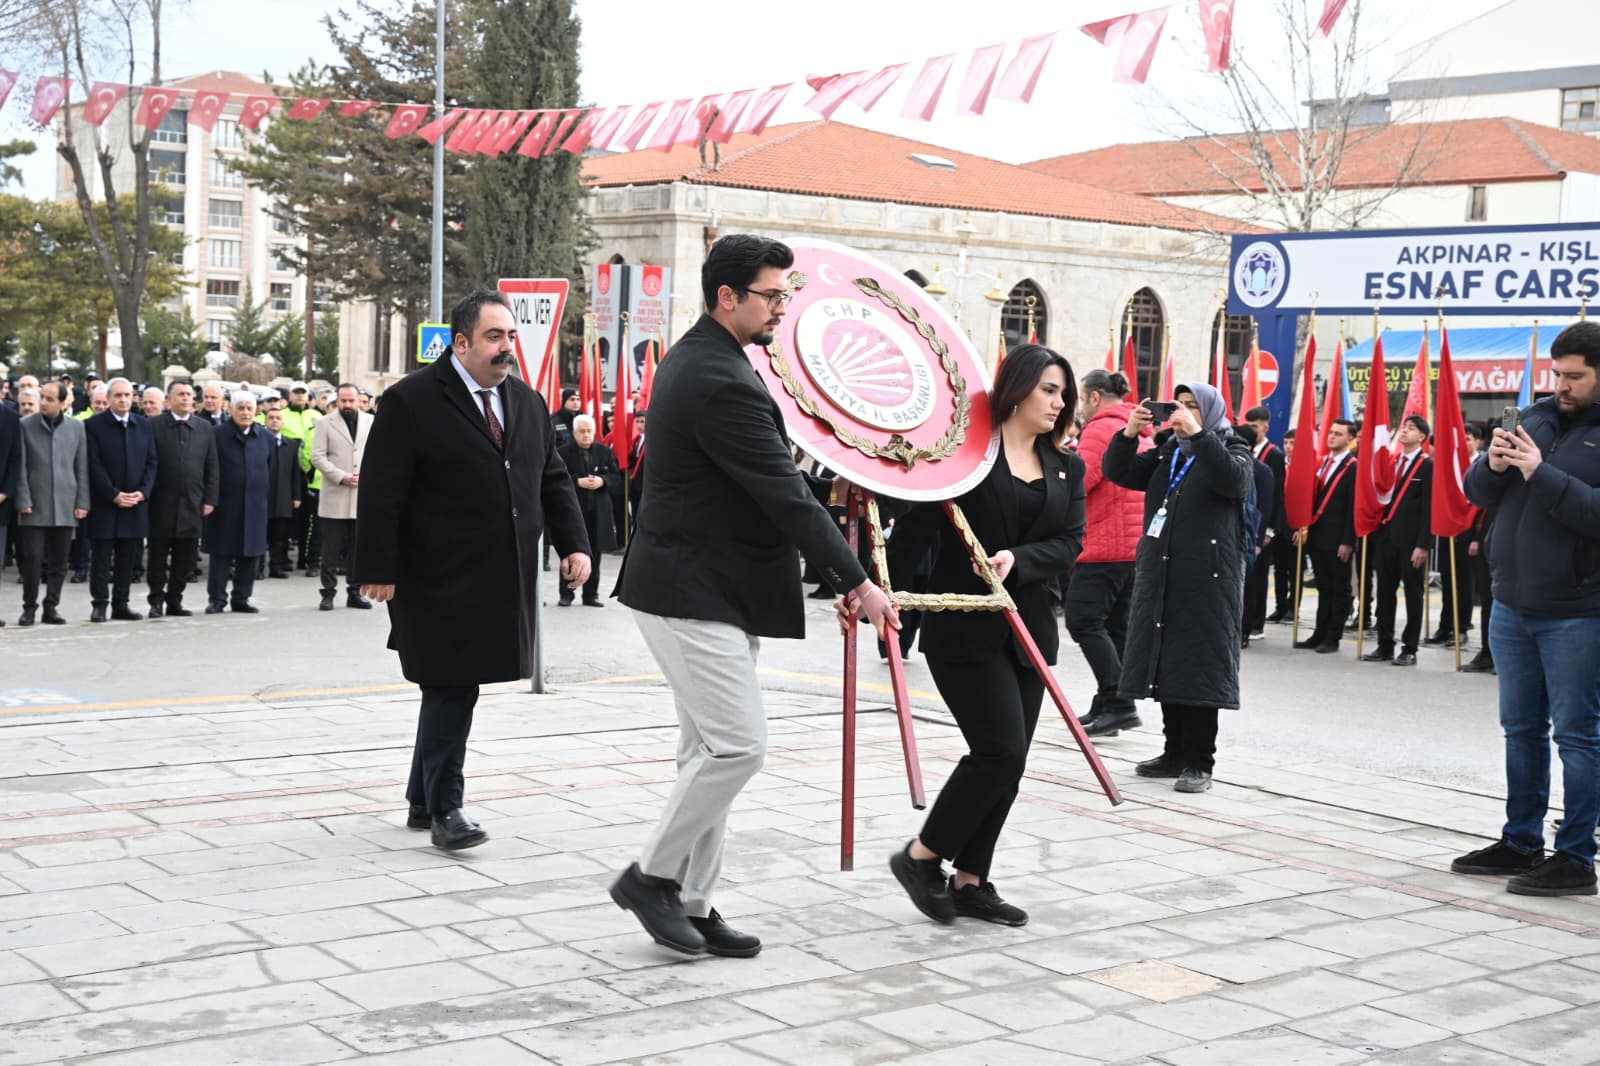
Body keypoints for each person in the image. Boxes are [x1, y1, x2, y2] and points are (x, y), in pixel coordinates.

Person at [611, 234, 896, 958]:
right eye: (771, 295)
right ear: (727, 297)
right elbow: (788, 497)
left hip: (712, 586)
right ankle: (651, 878)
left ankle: (694, 903)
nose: (781, 308)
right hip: (688, 589)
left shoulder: (716, 359)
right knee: (738, 747)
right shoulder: (717, 378)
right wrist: (858, 582)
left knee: (706, 752)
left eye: (783, 294)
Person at [355, 289, 590, 852]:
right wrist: (377, 568)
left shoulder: (527, 403)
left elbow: (550, 478)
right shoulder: (412, 401)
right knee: (451, 687)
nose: (506, 347)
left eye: (510, 336)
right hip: (432, 575)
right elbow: (382, 492)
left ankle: (420, 798)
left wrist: (573, 544)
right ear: (460, 343)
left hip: (498, 575)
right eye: (493, 337)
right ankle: (446, 810)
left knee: (450, 686)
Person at [881, 345, 1085, 928]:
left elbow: (1071, 543)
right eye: (1049, 389)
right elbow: (913, 531)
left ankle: (972, 880)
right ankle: (921, 857)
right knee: (998, 750)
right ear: (1018, 388)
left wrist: (1016, 559)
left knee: (1011, 762)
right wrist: (873, 589)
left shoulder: (1068, 467)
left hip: (1029, 631)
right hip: (962, 625)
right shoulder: (964, 458)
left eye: (1063, 392)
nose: (1059, 401)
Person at [1451, 321, 1600, 897]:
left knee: (1579, 737)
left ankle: (1575, 857)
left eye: (1575, 376)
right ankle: (1520, 841)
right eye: (1557, 374)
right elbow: (1476, 493)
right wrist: (1491, 465)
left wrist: (1539, 471)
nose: (1562, 385)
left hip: (1578, 611)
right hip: (1512, 603)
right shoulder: (1529, 417)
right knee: (1520, 730)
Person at [1104, 383, 1252, 794]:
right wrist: (1128, 435)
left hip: (1208, 577)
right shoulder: (1169, 451)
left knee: (1200, 666)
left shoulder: (1231, 445)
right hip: (1163, 572)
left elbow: (1235, 481)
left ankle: (1200, 761)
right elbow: (1121, 472)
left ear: (1209, 412)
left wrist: (1200, 437)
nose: (1182, 413)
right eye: (1179, 406)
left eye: (1192, 407)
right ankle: (1173, 751)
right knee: (1166, 659)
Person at [1068, 369, 1149, 738]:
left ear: (1095, 397)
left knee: (1083, 621)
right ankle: (1109, 704)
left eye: (1081, 398)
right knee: (1114, 626)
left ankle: (1118, 703)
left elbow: (1079, 482)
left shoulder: (1101, 429)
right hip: (1131, 545)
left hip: (1104, 542)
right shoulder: (1134, 427)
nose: (1079, 407)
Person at [83, 378, 158, 623]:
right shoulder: (94, 426)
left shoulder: (143, 425)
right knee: (102, 558)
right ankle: (100, 604)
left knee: (128, 557)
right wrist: (113, 494)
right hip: (106, 503)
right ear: (109, 398)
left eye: (128, 395)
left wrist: (143, 492)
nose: (124, 399)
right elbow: (93, 465)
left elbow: (151, 462)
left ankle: (121, 604)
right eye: (118, 395)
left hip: (134, 503)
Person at [15, 382, 89, 625]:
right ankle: (29, 607)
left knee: (59, 561)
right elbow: (21, 467)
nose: (43, 402)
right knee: (33, 558)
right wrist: (23, 499)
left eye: (49, 399)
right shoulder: (25, 425)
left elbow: (81, 467)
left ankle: (51, 607)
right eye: (42, 397)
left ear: (62, 402)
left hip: (66, 503)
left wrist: (82, 502)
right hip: (34, 504)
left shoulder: (77, 428)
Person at [1363, 415, 1433, 667]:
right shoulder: (1391, 462)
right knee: (1384, 592)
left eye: (1411, 429)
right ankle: (1384, 644)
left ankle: (1410, 648)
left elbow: (1428, 508)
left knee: (1413, 595)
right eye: (1403, 427)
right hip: (1386, 538)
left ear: (1422, 437)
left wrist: (1423, 544)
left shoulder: (1427, 466)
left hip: (1411, 542)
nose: (1404, 431)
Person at [146, 382, 218, 618]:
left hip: (192, 503)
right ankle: (156, 600)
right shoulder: (154, 426)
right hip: (160, 502)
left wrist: (210, 498)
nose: (186, 398)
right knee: (157, 557)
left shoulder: (204, 428)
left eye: (189, 395)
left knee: (184, 558)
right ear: (168, 400)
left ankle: (175, 600)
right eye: (181, 394)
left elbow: (212, 466)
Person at [1293, 419, 1357, 653]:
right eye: (1330, 433)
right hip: (1318, 534)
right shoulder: (1322, 463)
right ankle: (1319, 632)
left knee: (1339, 588)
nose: (1332, 437)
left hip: (1338, 538)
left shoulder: (1352, 467)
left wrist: (1348, 541)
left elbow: (1352, 507)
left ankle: (1333, 636)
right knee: (1324, 587)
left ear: (1350, 439)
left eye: (1338, 434)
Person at [204, 391, 271, 613]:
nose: (245, 412)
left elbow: (270, 469)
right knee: (221, 553)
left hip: (255, 504)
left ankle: (241, 598)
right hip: (225, 504)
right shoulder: (216, 434)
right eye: (240, 408)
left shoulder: (265, 437)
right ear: (230, 410)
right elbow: (209, 468)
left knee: (250, 554)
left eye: (249, 408)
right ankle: (217, 599)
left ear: (256, 411)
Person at [310, 384, 373, 611]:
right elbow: (317, 456)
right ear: (337, 401)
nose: (347, 405)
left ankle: (354, 592)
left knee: (357, 550)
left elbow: (378, 454)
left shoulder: (370, 422)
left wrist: (365, 475)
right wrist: (341, 476)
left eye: (351, 401)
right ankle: (327, 593)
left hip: (361, 496)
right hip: (334, 495)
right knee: (330, 550)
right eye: (343, 401)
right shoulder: (324, 423)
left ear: (358, 401)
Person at [557, 413, 620, 607]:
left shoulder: (605, 452)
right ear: (574, 433)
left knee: (595, 554)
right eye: (582, 432)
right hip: (574, 512)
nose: (586, 435)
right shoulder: (562, 452)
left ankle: (591, 594)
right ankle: (567, 593)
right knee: (570, 552)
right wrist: (577, 481)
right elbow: (556, 478)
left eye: (590, 431)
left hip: (599, 511)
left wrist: (603, 481)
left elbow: (617, 479)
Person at [1241, 407, 1286, 637]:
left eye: (1255, 426)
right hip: (1246, 521)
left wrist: (1269, 529)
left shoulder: (1273, 454)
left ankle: (1256, 622)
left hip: (1262, 524)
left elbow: (1275, 495)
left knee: (1258, 577)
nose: (1251, 430)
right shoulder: (1243, 450)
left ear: (1265, 427)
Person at [1234, 424, 1278, 649]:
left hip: (1252, 538)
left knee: (1250, 587)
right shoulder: (1228, 467)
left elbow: (1265, 507)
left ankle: (1246, 629)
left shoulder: (1261, 471)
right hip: (1231, 536)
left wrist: (1260, 540)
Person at [280, 383, 322, 572]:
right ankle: (282, 558)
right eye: (296, 393)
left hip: (311, 473)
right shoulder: (282, 415)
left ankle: (305, 559)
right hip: (289, 466)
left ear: (308, 396)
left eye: (302, 393)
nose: (299, 396)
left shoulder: (316, 416)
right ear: (290, 395)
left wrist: (311, 471)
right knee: (289, 517)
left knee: (310, 520)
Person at [264, 407, 305, 578]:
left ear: (283, 422)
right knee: (261, 535)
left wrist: (296, 496)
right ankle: (258, 568)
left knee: (280, 536)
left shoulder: (291, 445)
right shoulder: (259, 441)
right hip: (262, 497)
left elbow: (295, 473)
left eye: (278, 418)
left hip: (283, 497)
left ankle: (277, 566)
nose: (274, 421)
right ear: (265, 421)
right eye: (271, 417)